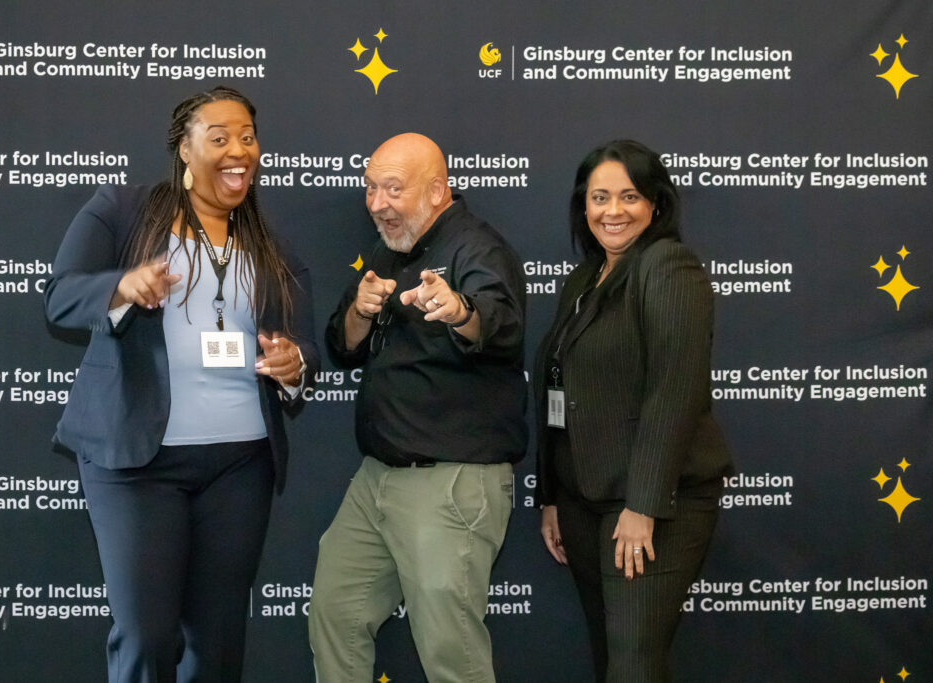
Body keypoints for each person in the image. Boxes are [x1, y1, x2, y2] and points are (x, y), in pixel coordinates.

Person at [44, 86, 318, 683]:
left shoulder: (270, 245)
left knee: (218, 642)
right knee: (147, 637)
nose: (238, 150)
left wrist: (294, 365)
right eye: (219, 137)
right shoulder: (122, 209)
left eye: (247, 136)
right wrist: (121, 287)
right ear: (184, 150)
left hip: (240, 466)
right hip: (137, 463)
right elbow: (61, 296)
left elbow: (302, 346)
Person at [308, 133, 527, 683]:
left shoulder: (478, 249)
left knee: (451, 655)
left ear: (436, 190)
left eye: (393, 190)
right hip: (378, 478)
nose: (378, 204)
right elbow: (342, 346)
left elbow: (499, 325)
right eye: (371, 189)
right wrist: (359, 310)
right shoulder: (392, 248)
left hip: (449, 483)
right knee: (335, 613)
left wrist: (458, 310)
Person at [535, 139, 734, 682]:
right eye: (599, 197)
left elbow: (675, 390)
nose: (612, 210)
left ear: (655, 204)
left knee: (634, 664)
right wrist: (551, 495)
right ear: (583, 207)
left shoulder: (668, 266)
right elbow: (560, 390)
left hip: (652, 504)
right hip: (582, 500)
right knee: (610, 657)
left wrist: (643, 506)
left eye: (629, 196)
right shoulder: (583, 280)